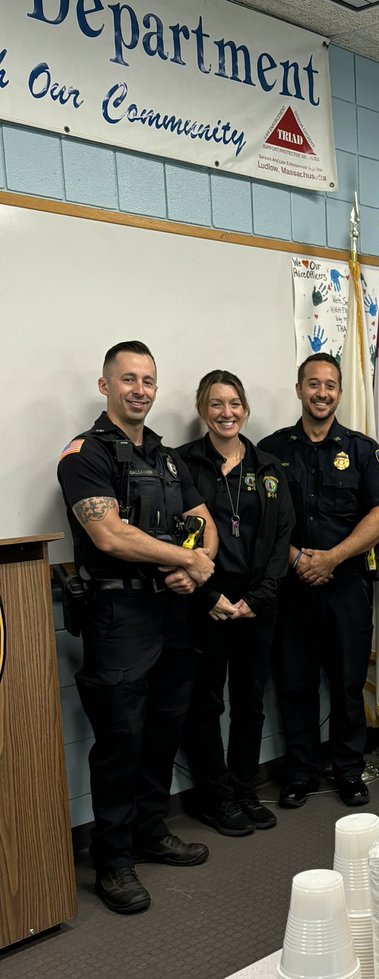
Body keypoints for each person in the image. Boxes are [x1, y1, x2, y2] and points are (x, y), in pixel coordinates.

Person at [57, 341, 217, 915]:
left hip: (172, 613)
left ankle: (152, 832)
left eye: (148, 380)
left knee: (164, 729)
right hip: (119, 618)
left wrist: (193, 568)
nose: (140, 389)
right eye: (128, 379)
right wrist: (184, 560)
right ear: (106, 386)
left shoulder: (170, 460)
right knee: (120, 741)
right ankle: (114, 859)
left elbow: (202, 524)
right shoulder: (85, 455)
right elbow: (109, 536)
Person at [259, 353, 379, 809]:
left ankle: (349, 772)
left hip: (345, 586)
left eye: (331, 385)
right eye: (313, 384)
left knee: (347, 684)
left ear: (339, 392)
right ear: (299, 390)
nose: (322, 392)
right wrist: (299, 558)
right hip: (291, 587)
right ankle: (299, 773)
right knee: (294, 684)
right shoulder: (270, 450)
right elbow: (263, 519)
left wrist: (332, 558)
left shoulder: (362, 449)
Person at [177, 370, 295, 836]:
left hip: (256, 603)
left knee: (249, 703)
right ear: (202, 408)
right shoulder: (182, 465)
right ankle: (215, 797)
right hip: (205, 602)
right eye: (216, 404)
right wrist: (211, 595)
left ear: (245, 409)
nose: (226, 413)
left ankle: (245, 790)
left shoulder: (267, 468)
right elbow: (178, 537)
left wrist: (255, 599)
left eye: (234, 404)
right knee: (205, 704)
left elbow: (280, 537)